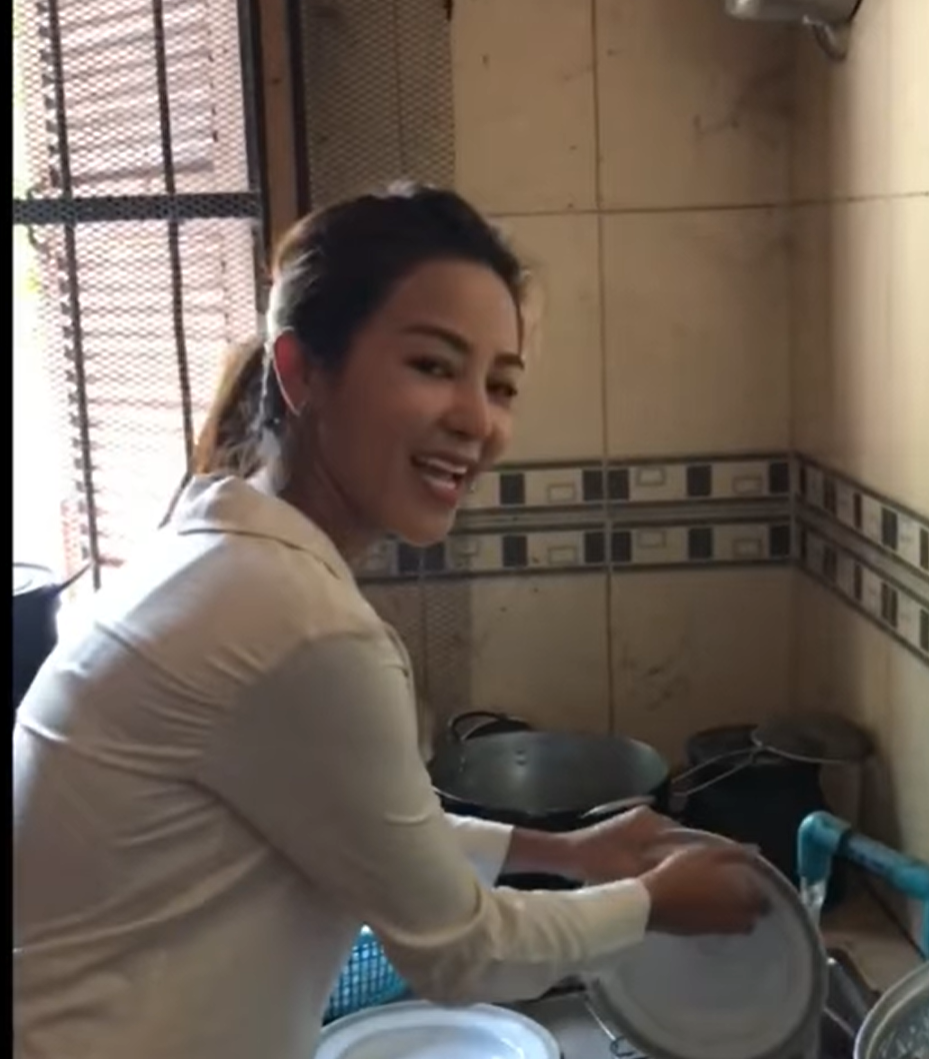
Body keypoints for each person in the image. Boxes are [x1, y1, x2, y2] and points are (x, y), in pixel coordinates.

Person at [13, 183, 768, 1059]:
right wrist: (654, 903)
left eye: (500, 384)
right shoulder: (298, 623)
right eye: (433, 366)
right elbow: (461, 951)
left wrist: (568, 851)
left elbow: (361, 823)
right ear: (302, 371)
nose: (478, 419)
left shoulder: (215, 543)